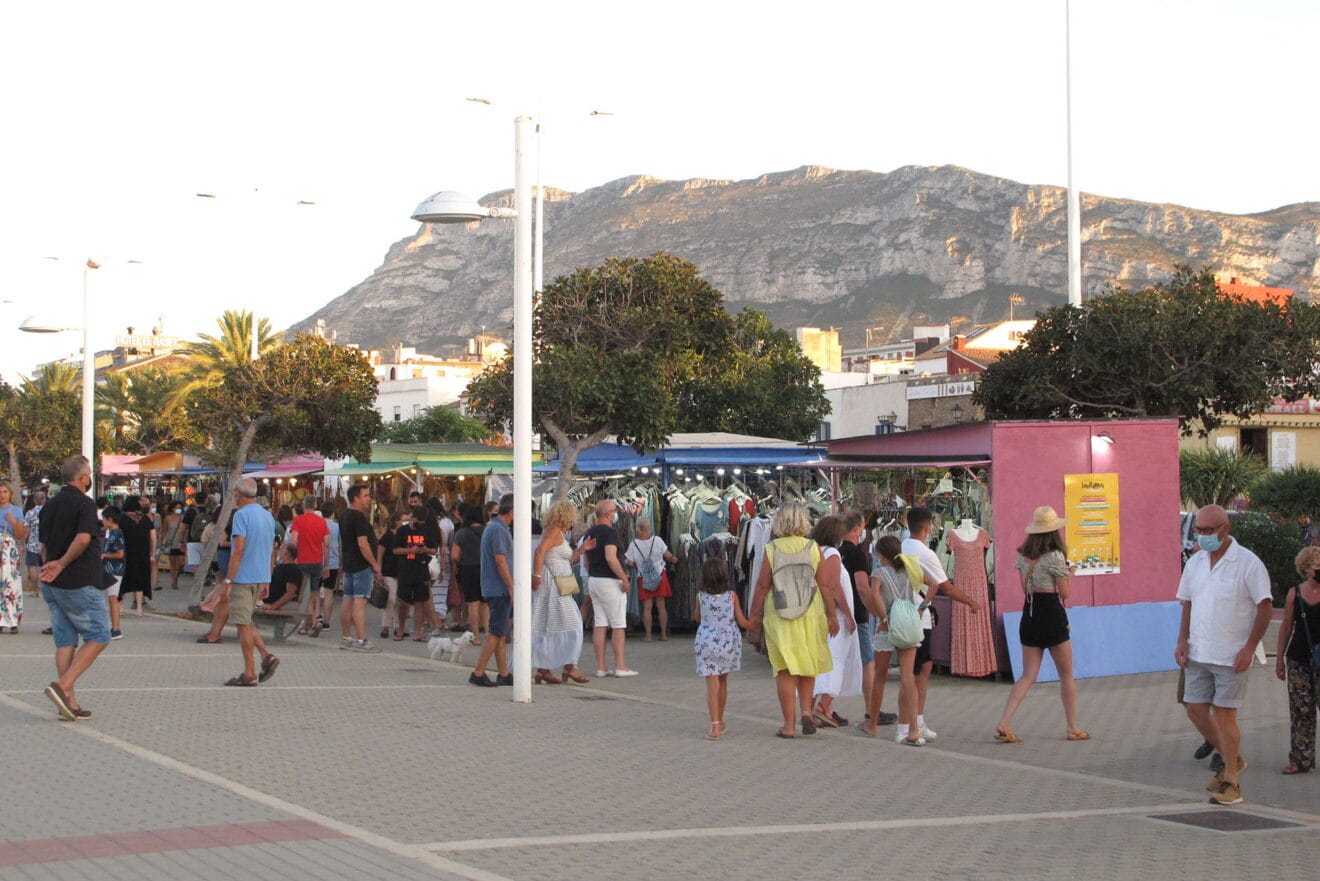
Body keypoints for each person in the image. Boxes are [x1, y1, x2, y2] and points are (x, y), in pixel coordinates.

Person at [1175, 503, 1273, 806]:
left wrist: (1248, 647)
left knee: (1225, 714)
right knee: (1194, 707)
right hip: (1199, 649)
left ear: (1224, 529)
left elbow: (1265, 608)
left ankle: (1231, 780)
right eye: (1198, 531)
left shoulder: (1248, 563)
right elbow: (1187, 602)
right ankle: (1233, 757)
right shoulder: (1195, 562)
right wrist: (1182, 640)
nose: (1202, 536)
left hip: (1232, 654)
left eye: (1207, 530)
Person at [993, 505, 1089, 745]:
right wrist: (1071, 573)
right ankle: (1072, 727)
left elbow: (1025, 589)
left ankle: (1005, 721)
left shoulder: (1022, 555)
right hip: (1051, 614)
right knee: (1066, 674)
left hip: (1030, 612)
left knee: (1027, 675)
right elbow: (1064, 593)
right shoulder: (1055, 556)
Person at [747, 501, 835, 739]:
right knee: (807, 665)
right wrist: (832, 615)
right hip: (810, 612)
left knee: (785, 668)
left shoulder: (772, 548)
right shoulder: (813, 547)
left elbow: (763, 585)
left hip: (781, 612)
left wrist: (754, 615)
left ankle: (789, 725)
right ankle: (807, 711)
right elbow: (825, 585)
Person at [901, 507, 983, 742]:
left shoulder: (904, 546)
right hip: (920, 614)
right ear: (927, 529)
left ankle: (915, 721)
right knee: (919, 671)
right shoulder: (926, 553)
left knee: (921, 667)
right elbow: (945, 586)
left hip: (907, 612)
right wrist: (971, 602)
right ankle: (911, 724)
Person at [38, 455, 109, 720]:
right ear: (82, 478)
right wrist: (62, 563)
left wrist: (49, 567)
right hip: (78, 581)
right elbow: (82, 538)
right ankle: (62, 685)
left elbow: (44, 544)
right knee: (100, 635)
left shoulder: (50, 504)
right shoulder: (85, 504)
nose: (90, 478)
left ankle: (68, 701)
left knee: (65, 639)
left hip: (54, 585)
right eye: (89, 474)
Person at [858, 536, 945, 744]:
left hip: (888, 626)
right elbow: (934, 584)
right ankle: (913, 730)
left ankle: (872, 724)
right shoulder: (909, 569)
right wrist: (922, 607)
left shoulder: (878, 573)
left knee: (879, 676)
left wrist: (883, 618)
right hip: (908, 623)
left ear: (880, 554)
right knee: (908, 677)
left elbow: (875, 595)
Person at [216, 477, 280, 686]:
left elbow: (238, 550)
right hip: (261, 575)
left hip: (243, 577)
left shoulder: (241, 516)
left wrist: (228, 579)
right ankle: (265, 656)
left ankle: (250, 673)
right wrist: (268, 577)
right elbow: (272, 550)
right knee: (246, 619)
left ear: (239, 494)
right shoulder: (268, 516)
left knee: (242, 624)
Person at [529, 499, 590, 685]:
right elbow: (539, 552)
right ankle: (570, 667)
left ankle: (544, 670)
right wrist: (537, 575)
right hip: (553, 584)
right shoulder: (554, 530)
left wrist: (581, 549)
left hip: (560, 582)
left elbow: (565, 558)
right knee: (573, 624)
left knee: (552, 624)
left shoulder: (556, 532)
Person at [694, 556, 753, 740]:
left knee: (712, 685)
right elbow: (742, 621)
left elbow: (697, 618)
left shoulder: (700, 597)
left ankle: (714, 726)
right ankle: (721, 719)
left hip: (707, 643)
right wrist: (757, 625)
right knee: (723, 682)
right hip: (728, 643)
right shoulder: (732, 596)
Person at [811, 515, 861, 728]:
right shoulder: (832, 553)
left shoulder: (816, 552)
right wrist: (845, 615)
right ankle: (823, 705)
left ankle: (816, 708)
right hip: (835, 616)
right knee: (836, 661)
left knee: (825, 660)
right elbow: (832, 587)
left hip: (822, 614)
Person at [1275, 546, 1320, 775]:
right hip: (1299, 658)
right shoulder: (1295, 593)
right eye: (1316, 567)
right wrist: (1279, 659)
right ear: (1305, 569)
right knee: (1301, 711)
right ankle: (1300, 759)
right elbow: (1285, 627)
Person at [584, 499, 638, 678]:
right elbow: (611, 557)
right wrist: (624, 577)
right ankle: (620, 666)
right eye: (614, 511)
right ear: (608, 514)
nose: (616, 514)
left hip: (594, 580)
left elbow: (586, 560)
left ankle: (601, 667)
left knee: (600, 623)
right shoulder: (610, 533)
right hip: (610, 581)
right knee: (618, 624)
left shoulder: (589, 533)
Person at [470, 494, 516, 687]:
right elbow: (500, 560)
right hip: (499, 588)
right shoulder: (498, 530)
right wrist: (511, 586)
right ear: (512, 511)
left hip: (495, 587)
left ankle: (503, 672)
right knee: (496, 631)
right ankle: (478, 672)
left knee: (501, 631)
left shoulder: (496, 527)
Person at [338, 484, 383, 653]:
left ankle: (346, 637)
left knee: (347, 599)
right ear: (355, 498)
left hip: (349, 562)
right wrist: (375, 564)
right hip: (361, 565)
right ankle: (361, 639)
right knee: (360, 601)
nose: (369, 499)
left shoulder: (344, 516)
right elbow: (363, 544)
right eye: (365, 496)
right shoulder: (359, 518)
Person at [625, 516, 679, 642]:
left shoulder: (633, 544)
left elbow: (631, 563)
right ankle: (664, 635)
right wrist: (675, 559)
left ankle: (648, 635)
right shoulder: (657, 540)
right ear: (648, 527)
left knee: (647, 607)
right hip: (660, 575)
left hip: (643, 578)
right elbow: (668, 556)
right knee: (661, 606)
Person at [392, 506, 436, 643]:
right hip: (405, 570)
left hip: (421, 569)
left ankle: (418, 632)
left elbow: (434, 550)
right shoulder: (402, 531)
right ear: (413, 517)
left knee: (420, 602)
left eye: (422, 522)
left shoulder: (428, 531)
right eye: (418, 521)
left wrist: (425, 549)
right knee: (403, 602)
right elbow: (395, 550)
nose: (420, 525)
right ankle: (400, 629)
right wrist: (410, 550)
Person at [290, 497, 330, 637]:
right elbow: (326, 544)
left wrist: (292, 557)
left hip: (302, 560)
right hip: (317, 561)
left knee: (303, 594)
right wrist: (326, 565)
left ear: (303, 505)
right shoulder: (322, 522)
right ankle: (308, 623)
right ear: (315, 505)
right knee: (314, 593)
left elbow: (293, 540)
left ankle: (311, 622)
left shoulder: (298, 521)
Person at [452, 503, 487, 643]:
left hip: (468, 569)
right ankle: (489, 634)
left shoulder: (461, 533)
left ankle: (476, 637)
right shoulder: (487, 530)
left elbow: (454, 556)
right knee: (485, 604)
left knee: (473, 604)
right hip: (485, 570)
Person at [117, 496, 156, 616]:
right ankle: (139, 608)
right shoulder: (146, 519)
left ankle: (121, 607)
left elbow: (116, 535)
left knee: (124, 579)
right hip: (142, 553)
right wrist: (152, 553)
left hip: (125, 552)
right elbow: (153, 537)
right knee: (139, 578)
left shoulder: (121, 518)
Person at [0, 481, 28, 633]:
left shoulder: (16, 511)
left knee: (10, 584)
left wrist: (13, 522)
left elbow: (20, 535)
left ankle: (12, 620)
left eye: (5, 492)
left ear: (10, 493)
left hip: (8, 549)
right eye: (0, 492)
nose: (2, 495)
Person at [377, 510, 404, 639]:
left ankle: (397, 627)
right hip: (388, 572)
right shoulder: (387, 536)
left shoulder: (402, 535)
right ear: (396, 521)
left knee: (397, 600)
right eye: (402, 520)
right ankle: (386, 626)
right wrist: (379, 570)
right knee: (391, 599)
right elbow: (380, 553)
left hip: (400, 571)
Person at [101, 506, 126, 639]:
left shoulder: (117, 533)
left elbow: (120, 554)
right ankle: (111, 627)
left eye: (104, 519)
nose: (103, 522)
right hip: (108, 569)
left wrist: (105, 556)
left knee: (112, 598)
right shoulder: (110, 533)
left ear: (110, 519)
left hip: (115, 569)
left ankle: (116, 628)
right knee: (109, 597)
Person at [318, 502, 342, 632]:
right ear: (333, 513)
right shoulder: (337, 527)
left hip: (317, 561)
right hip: (333, 562)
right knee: (329, 592)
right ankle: (327, 622)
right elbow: (340, 545)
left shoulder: (318, 524)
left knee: (315, 592)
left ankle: (316, 618)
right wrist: (341, 563)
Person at [262, 544, 303, 611]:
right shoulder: (279, 567)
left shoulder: (293, 571)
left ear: (287, 554)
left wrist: (273, 606)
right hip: (264, 599)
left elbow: (290, 594)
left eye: (280, 549)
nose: (278, 551)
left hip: (272, 602)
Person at [160, 500, 186, 590]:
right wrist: (162, 542)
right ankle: (174, 580)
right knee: (172, 563)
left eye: (180, 508)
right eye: (177, 508)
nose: (179, 509)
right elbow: (164, 531)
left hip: (181, 542)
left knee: (181, 562)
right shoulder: (168, 518)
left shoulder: (183, 517)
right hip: (170, 543)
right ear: (172, 508)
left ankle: (176, 577)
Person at [23, 490, 45, 596]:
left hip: (32, 543)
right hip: (46, 543)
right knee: (46, 566)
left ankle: (36, 590)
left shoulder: (30, 513)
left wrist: (23, 543)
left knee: (32, 566)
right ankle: (47, 590)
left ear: (34, 500)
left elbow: (26, 530)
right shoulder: (49, 511)